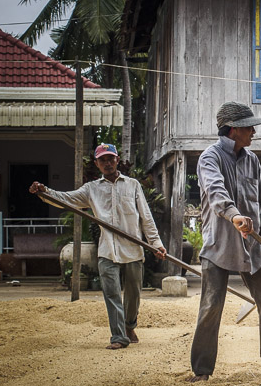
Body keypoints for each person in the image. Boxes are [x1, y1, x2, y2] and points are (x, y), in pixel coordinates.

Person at [188, 101, 261, 382]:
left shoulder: (252, 160)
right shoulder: (209, 158)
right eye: (250, 127)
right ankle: (202, 370)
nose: (254, 132)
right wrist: (234, 216)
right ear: (234, 130)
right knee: (211, 307)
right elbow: (215, 191)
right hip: (219, 246)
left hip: (254, 247)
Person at [29, 143, 167, 350]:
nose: (107, 163)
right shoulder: (91, 189)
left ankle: (129, 326)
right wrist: (44, 191)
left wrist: (156, 244)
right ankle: (119, 336)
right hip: (107, 250)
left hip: (133, 248)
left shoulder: (132, 185)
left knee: (133, 293)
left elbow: (146, 217)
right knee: (111, 294)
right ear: (97, 164)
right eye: (102, 160)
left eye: (111, 158)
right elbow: (66, 200)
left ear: (117, 160)